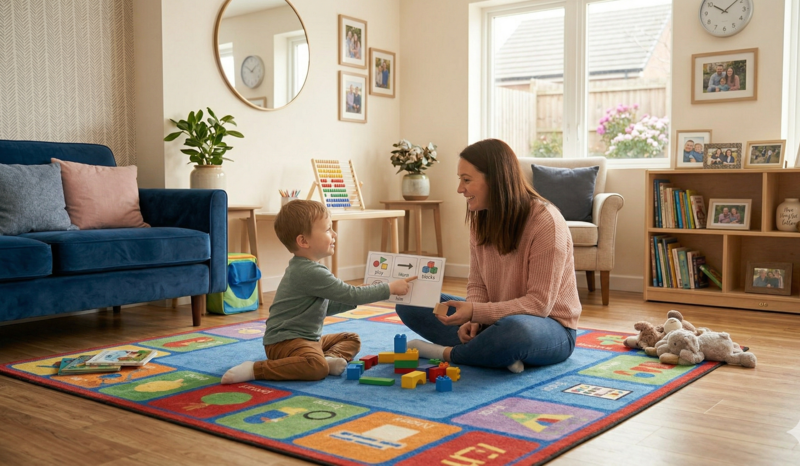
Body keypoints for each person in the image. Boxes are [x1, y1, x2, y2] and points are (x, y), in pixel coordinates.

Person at [394, 139, 581, 374]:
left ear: (495, 179)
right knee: (413, 299)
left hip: (548, 328)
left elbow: (539, 305)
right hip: (491, 322)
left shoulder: (546, 222)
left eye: (467, 180)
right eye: (460, 180)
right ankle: (493, 352)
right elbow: (478, 283)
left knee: (515, 331)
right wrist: (474, 320)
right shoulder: (481, 218)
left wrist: (476, 312)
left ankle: (449, 353)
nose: (460, 189)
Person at [222, 200, 415, 384]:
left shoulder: (309, 268)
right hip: (284, 342)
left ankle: (329, 359)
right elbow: (351, 294)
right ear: (304, 241)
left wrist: (361, 296)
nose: (334, 234)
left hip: (307, 340)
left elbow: (324, 306)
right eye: (328, 229)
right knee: (315, 368)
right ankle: (256, 369)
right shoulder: (309, 271)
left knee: (351, 338)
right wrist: (388, 288)